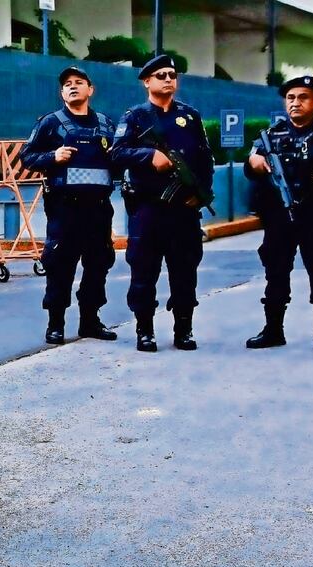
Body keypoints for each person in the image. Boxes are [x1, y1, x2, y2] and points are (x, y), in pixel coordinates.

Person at [110, 55, 214, 352]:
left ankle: (184, 329)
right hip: (148, 207)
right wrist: (149, 157)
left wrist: (203, 192)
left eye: (172, 75)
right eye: (161, 75)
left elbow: (205, 157)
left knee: (185, 270)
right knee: (143, 270)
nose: (168, 79)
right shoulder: (135, 117)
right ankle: (145, 330)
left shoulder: (190, 116)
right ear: (147, 82)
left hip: (183, 208)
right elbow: (117, 154)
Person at [244, 75, 313, 353]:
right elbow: (251, 167)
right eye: (291, 98)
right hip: (279, 218)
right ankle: (273, 331)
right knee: (276, 274)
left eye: (303, 97)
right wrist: (254, 161)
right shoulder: (272, 135)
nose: (295, 103)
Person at [20, 66, 118, 345]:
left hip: (99, 208)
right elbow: (26, 157)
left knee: (98, 264)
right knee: (60, 265)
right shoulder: (51, 123)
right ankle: (56, 324)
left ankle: (90, 321)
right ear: (61, 92)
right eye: (67, 84)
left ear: (91, 89)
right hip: (65, 208)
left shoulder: (106, 125)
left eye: (79, 82)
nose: (73, 87)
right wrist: (53, 156)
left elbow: (120, 159)